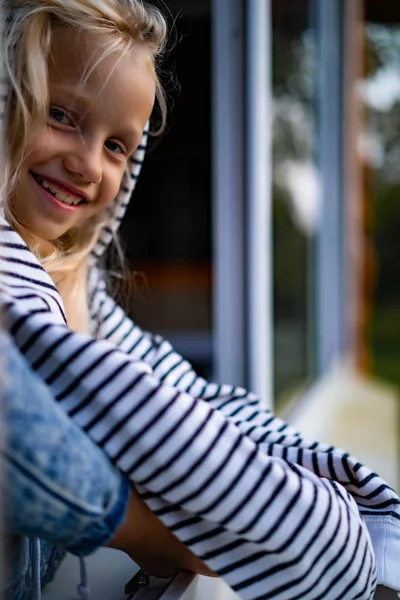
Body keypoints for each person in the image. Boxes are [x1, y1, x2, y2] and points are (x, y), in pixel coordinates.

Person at [0, 1, 399, 599]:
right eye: (60, 114)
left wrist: (365, 501)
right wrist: (312, 532)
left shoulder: (72, 280)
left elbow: (184, 395)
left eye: (117, 146)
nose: (87, 164)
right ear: (8, 99)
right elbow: (108, 399)